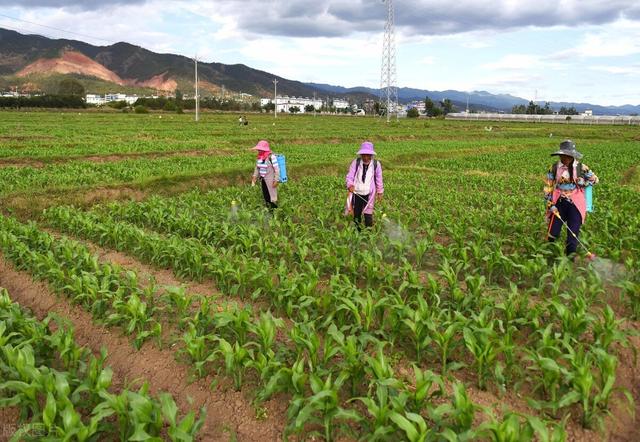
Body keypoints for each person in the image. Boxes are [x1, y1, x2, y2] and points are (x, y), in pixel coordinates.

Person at [544, 139, 599, 256]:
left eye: (568, 156)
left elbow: (595, 180)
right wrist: (550, 204)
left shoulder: (581, 167)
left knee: (572, 235)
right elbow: (548, 187)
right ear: (560, 155)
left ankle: (570, 260)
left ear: (573, 155)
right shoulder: (554, 168)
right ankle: (549, 257)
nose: (565, 159)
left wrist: (583, 182)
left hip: (576, 203)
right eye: (563, 156)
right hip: (558, 201)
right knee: (552, 232)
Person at [345, 141, 384, 230]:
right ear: (361, 154)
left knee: (368, 215)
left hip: (369, 194)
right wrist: (350, 185)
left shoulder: (376, 164)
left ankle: (368, 234)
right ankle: (357, 232)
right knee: (357, 214)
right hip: (357, 193)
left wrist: (380, 192)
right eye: (363, 155)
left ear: (371, 155)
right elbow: (350, 175)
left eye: (368, 155)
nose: (366, 157)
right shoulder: (356, 162)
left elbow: (379, 179)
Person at [251, 140, 279, 210]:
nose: (259, 150)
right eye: (258, 149)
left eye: (260, 149)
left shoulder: (271, 157)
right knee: (266, 195)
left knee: (272, 197)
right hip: (263, 180)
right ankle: (269, 210)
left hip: (271, 181)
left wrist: (276, 180)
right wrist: (254, 177)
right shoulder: (259, 157)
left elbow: (277, 170)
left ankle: (274, 212)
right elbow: (257, 168)